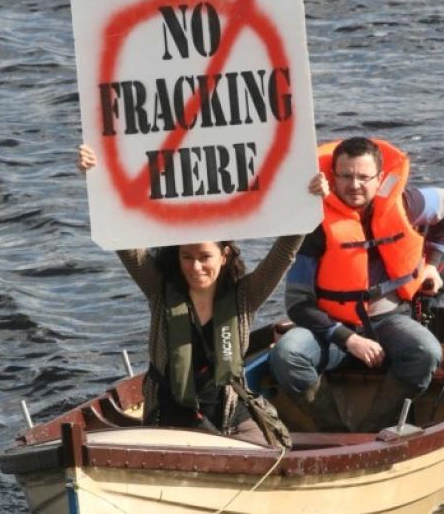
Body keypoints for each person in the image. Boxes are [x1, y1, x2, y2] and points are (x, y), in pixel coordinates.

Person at [77, 144, 328, 445]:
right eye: (187, 257)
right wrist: (96, 180)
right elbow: (124, 242)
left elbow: (285, 251)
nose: (196, 267)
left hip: (229, 417)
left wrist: (310, 198)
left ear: (223, 256)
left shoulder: (245, 296)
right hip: (170, 417)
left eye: (204, 257)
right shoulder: (159, 290)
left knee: (274, 458)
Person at [269, 137, 444, 432]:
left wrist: (432, 264)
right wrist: (348, 339)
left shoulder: (407, 204)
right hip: (329, 331)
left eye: (363, 177)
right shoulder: (315, 224)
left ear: (380, 178)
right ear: (333, 177)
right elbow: (297, 304)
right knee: (286, 354)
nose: (354, 185)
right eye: (345, 176)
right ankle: (334, 431)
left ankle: (374, 428)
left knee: (426, 352)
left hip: (389, 322)